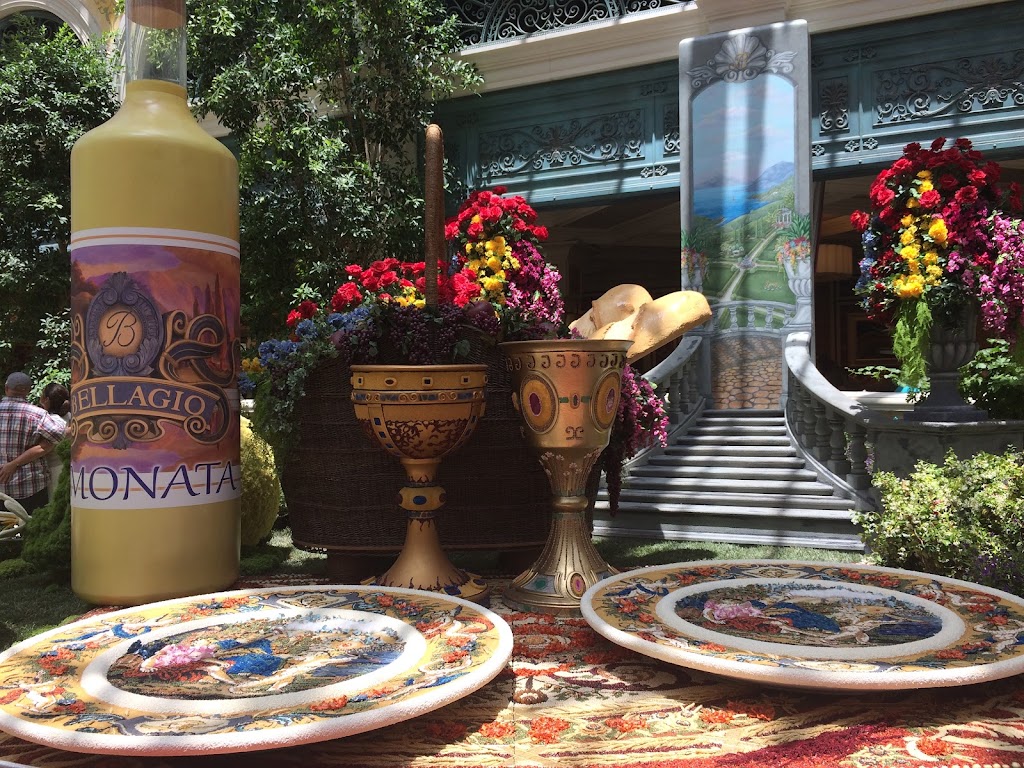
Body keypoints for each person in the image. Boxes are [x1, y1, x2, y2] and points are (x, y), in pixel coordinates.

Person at [0, 372, 68, 515]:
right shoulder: (37, 414)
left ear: (6, 388)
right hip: (31, 486)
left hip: (2, 490)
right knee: (33, 526)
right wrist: (46, 444)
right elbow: (60, 435)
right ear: (28, 391)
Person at [39, 382, 71, 500]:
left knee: (56, 500)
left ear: (46, 400)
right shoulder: (70, 416)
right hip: (69, 464)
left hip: (54, 467)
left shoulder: (50, 421)